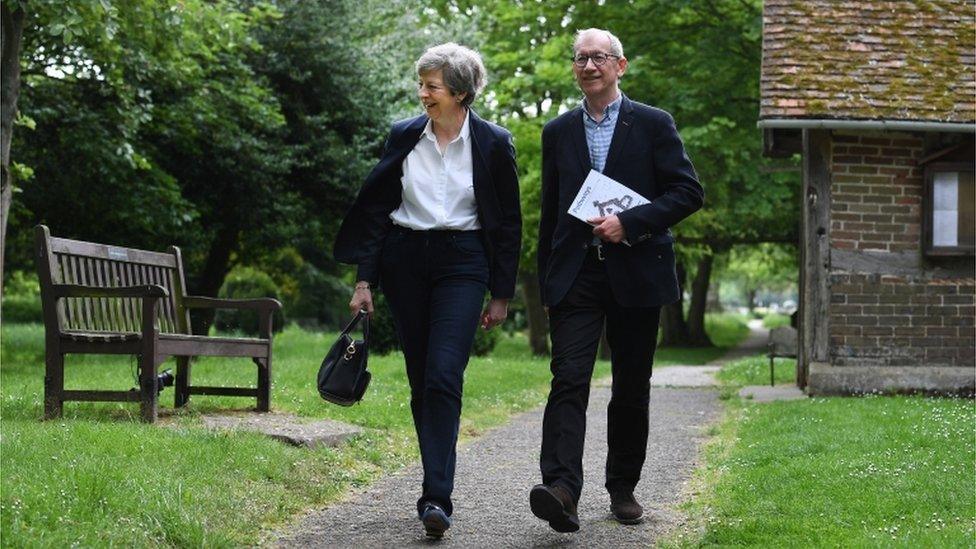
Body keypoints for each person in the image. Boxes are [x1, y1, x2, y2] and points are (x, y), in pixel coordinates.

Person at [333, 43, 521, 539]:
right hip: (405, 260)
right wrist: (364, 280)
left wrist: (501, 293)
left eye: (432, 86)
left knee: (443, 374)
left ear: (459, 92)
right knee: (421, 377)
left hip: (464, 262)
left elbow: (508, 225)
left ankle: (436, 496)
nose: (423, 94)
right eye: (421, 85)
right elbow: (377, 210)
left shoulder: (494, 143)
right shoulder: (403, 135)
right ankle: (434, 476)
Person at [530, 28, 704, 532]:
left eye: (598, 57)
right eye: (580, 58)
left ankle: (622, 486)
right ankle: (561, 489)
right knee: (568, 380)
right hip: (576, 275)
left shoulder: (653, 124)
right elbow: (550, 215)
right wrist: (548, 286)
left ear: (620, 66)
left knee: (630, 386)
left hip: (637, 272)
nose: (589, 66)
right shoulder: (557, 132)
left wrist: (632, 222)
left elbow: (687, 192)